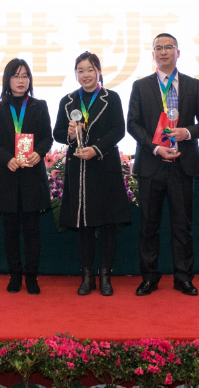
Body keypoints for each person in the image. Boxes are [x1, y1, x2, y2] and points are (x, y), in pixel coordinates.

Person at [126, 33, 199, 296]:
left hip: (182, 164)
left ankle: (183, 277)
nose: (163, 52)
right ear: (153, 54)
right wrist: (155, 147)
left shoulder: (192, 85)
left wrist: (186, 133)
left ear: (178, 52)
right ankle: (149, 278)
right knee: (148, 225)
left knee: (182, 225)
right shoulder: (141, 86)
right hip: (151, 164)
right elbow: (133, 124)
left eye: (168, 47)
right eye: (158, 48)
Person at [53, 52, 131, 296]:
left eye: (90, 70)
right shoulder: (67, 101)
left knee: (108, 223)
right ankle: (86, 276)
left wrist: (96, 149)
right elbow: (57, 133)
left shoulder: (111, 97)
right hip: (79, 168)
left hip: (104, 166)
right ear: (75, 73)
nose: (85, 75)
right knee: (83, 224)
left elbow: (119, 129)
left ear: (99, 71)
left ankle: (105, 276)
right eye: (80, 70)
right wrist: (69, 135)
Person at [0, 58, 53, 294]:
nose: (21, 80)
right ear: (7, 80)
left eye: (25, 76)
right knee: (10, 231)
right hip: (8, 176)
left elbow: (48, 137)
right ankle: (14, 274)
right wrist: (7, 158)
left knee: (32, 231)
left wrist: (38, 153)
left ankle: (31, 276)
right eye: (16, 76)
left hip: (33, 176)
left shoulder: (39, 106)